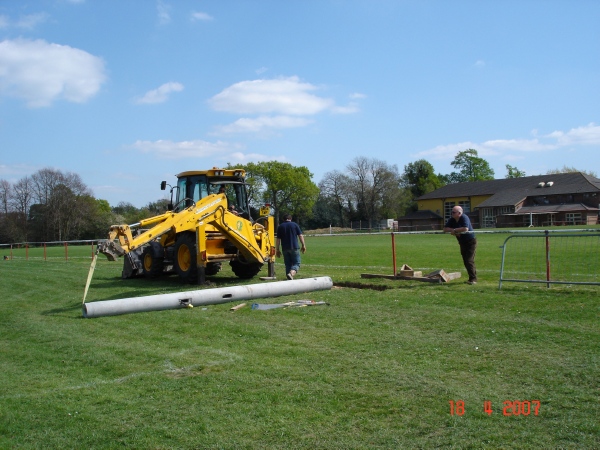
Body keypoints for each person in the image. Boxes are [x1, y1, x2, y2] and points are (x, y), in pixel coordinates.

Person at [444, 206, 477, 284]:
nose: (452, 214)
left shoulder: (464, 217)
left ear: (459, 213)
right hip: (462, 242)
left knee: (469, 260)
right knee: (465, 261)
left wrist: (455, 230)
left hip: (470, 242)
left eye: (453, 212)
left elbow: (465, 228)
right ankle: (471, 278)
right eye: (452, 212)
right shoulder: (452, 219)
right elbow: (445, 229)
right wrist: (453, 230)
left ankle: (473, 279)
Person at [276, 214, 306, 280]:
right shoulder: (295, 225)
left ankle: (289, 278)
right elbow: (300, 235)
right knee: (297, 263)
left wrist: (277, 249)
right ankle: (291, 273)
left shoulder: (280, 227)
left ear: (283, 219)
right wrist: (303, 245)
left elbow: (278, 239)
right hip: (294, 247)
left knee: (288, 264)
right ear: (291, 219)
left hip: (285, 248)